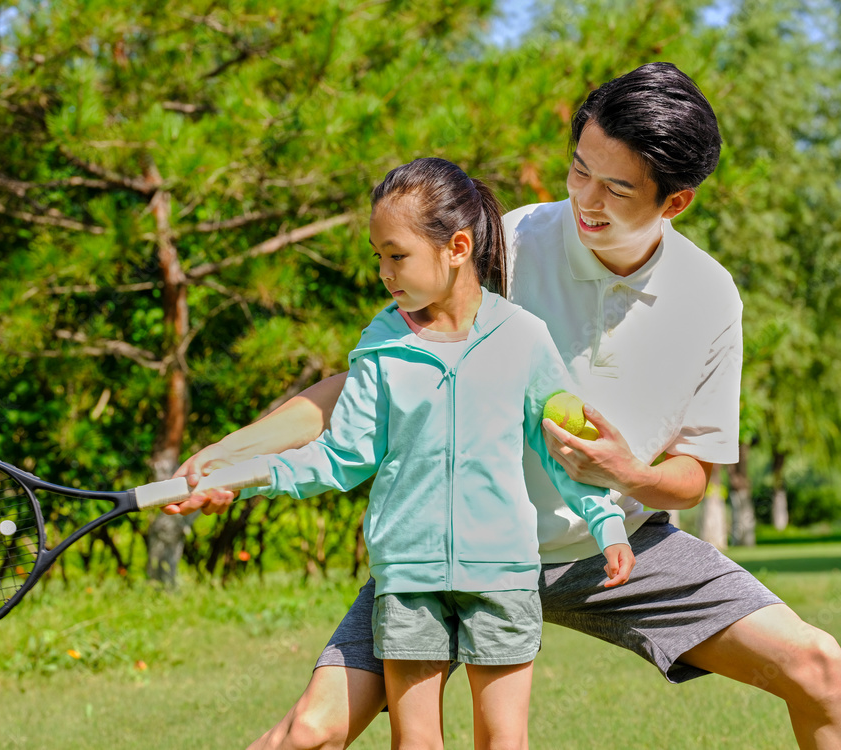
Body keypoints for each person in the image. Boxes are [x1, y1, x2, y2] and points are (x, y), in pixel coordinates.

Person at [166, 63, 841, 749]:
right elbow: (371, 383)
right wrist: (237, 450)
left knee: (824, 672)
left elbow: (694, 473)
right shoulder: (507, 244)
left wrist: (628, 474)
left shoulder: (710, 298)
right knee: (308, 732)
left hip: (616, 548)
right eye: (580, 170)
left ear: (675, 203)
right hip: (453, 543)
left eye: (616, 187)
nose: (587, 198)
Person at [218, 157, 634, 749]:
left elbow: (563, 449)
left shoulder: (522, 337)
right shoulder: (382, 342)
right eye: (378, 257)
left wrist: (606, 522)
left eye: (398, 255)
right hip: (408, 578)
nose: (385, 273)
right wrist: (247, 475)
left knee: (502, 743)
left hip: (503, 576)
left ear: (457, 246)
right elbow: (341, 455)